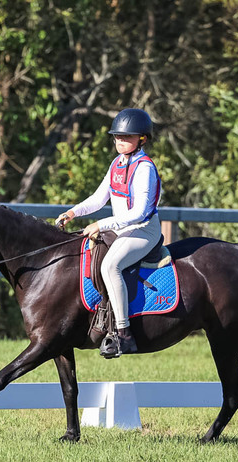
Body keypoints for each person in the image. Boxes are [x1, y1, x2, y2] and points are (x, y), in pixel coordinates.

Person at [55, 108, 162, 357]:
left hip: (143, 230)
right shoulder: (116, 163)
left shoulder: (144, 168)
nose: (120, 141)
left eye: (127, 138)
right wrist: (73, 212)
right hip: (121, 229)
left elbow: (139, 212)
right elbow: (98, 198)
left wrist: (101, 225)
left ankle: (123, 334)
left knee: (110, 266)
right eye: (117, 137)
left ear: (142, 139)